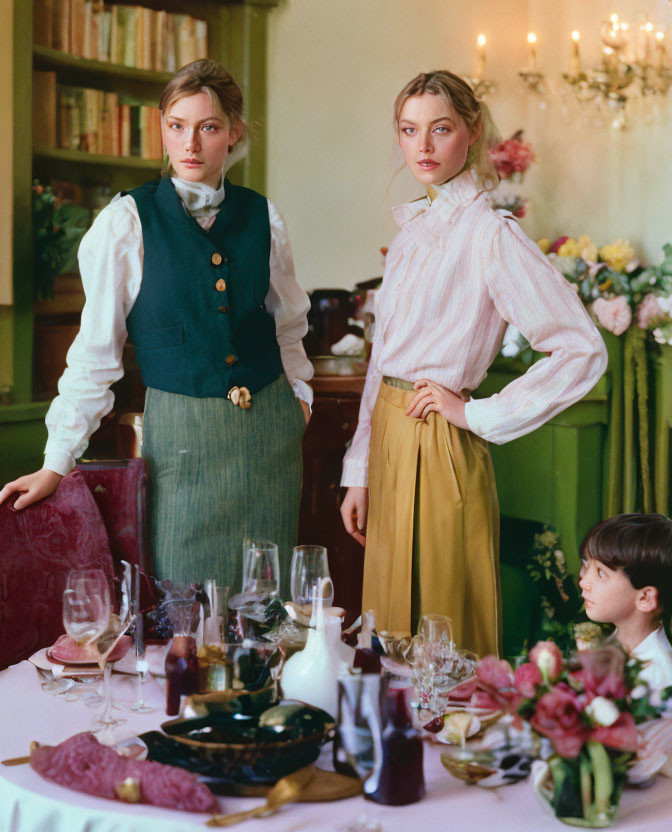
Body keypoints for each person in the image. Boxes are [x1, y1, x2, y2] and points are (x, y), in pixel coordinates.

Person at [0, 60, 313, 594]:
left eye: (208, 127)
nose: (190, 143)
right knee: (185, 614)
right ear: (162, 127)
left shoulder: (265, 217)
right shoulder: (125, 222)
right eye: (177, 125)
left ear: (234, 133)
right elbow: (95, 354)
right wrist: (56, 461)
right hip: (182, 447)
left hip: (270, 442)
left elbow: (289, 324)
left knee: (269, 611)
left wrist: (299, 396)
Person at [340, 70, 607, 657]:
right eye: (410, 131)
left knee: (443, 631)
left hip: (440, 441)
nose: (424, 146)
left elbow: (582, 347)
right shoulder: (411, 233)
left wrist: (478, 414)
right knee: (386, 635)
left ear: (472, 132)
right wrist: (358, 467)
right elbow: (382, 357)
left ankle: (455, 742)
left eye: (440, 129)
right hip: (387, 431)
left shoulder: (491, 235)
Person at [580, 513, 672, 692]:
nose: (583, 582)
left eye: (600, 573)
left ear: (645, 598)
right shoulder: (612, 644)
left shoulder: (659, 678)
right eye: (586, 565)